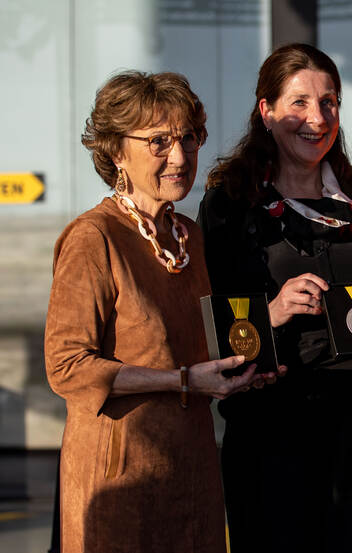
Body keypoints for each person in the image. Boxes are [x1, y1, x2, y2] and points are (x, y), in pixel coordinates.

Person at [198, 43, 352, 553]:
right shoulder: (231, 203)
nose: (316, 118)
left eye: (329, 102)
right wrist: (271, 311)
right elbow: (209, 321)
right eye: (298, 102)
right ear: (266, 110)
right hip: (272, 422)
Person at [44, 71, 266, 553]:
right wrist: (183, 381)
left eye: (189, 137)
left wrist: (243, 368)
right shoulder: (94, 237)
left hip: (192, 465)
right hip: (120, 474)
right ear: (115, 150)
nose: (181, 157)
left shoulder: (189, 234)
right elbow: (67, 369)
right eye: (159, 141)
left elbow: (200, 342)